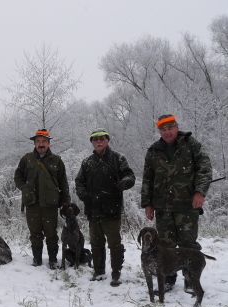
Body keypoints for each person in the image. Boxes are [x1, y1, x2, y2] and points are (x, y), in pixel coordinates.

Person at [141, 114, 212, 294]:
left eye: (170, 128)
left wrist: (199, 191)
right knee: (164, 245)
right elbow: (147, 179)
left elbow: (204, 168)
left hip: (187, 205)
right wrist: (148, 203)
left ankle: (190, 279)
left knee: (188, 244)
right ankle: (167, 278)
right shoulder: (153, 150)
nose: (167, 132)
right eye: (163, 130)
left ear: (176, 127)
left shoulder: (191, 145)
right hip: (162, 206)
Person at [75, 128, 135, 286]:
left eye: (102, 139)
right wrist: (84, 195)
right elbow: (79, 181)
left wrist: (125, 182)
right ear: (92, 143)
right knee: (96, 243)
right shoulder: (87, 162)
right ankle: (99, 272)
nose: (99, 142)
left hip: (112, 209)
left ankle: (116, 274)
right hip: (93, 210)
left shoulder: (117, 158)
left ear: (107, 140)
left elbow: (130, 176)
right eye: (95, 140)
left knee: (114, 243)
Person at [14, 129, 70, 268]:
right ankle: (37, 259)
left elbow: (63, 182)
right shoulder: (26, 159)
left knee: (51, 233)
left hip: (50, 203)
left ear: (49, 143)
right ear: (34, 143)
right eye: (38, 141)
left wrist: (65, 201)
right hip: (32, 203)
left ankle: (52, 260)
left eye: (44, 141)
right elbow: (18, 176)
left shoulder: (56, 160)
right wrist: (25, 188)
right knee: (35, 232)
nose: (41, 144)